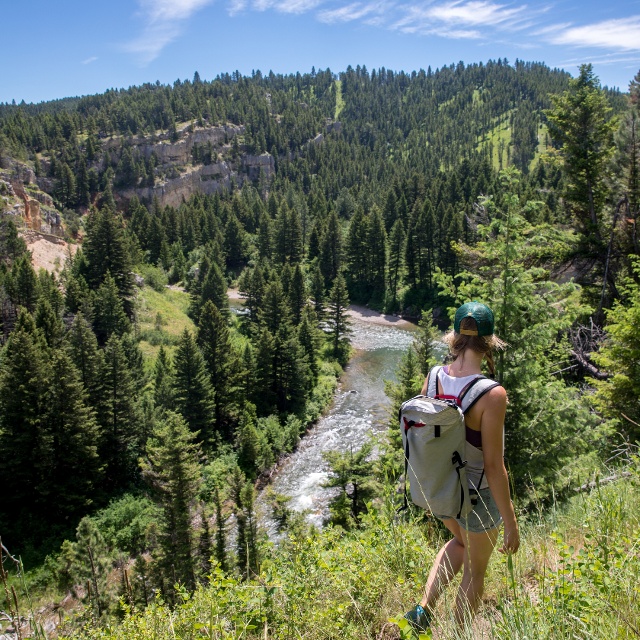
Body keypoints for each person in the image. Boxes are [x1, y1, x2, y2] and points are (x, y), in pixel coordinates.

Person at [404, 301, 520, 633]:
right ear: (489, 341)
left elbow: (425, 438)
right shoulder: (492, 394)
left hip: (440, 489)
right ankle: (460, 634)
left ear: (454, 337)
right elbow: (494, 467)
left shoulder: (434, 376)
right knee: (475, 570)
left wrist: (428, 490)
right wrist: (510, 522)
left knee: (459, 543)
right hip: (476, 495)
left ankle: (422, 611)